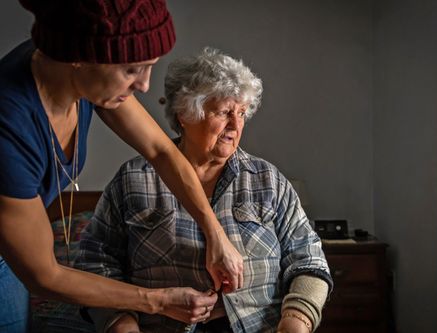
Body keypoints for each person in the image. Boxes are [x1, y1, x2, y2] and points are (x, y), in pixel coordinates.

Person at [0, 1, 243, 332]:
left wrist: (215, 234)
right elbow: (44, 275)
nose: (144, 86)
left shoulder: (79, 73)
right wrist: (157, 300)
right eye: (132, 70)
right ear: (79, 59)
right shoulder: (8, 126)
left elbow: (161, 151)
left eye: (149, 67)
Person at [75, 48, 333, 333]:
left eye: (242, 113)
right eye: (223, 112)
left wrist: (295, 321)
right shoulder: (134, 179)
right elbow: (94, 261)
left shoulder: (268, 181)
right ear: (185, 113)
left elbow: (309, 261)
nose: (235, 125)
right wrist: (121, 325)